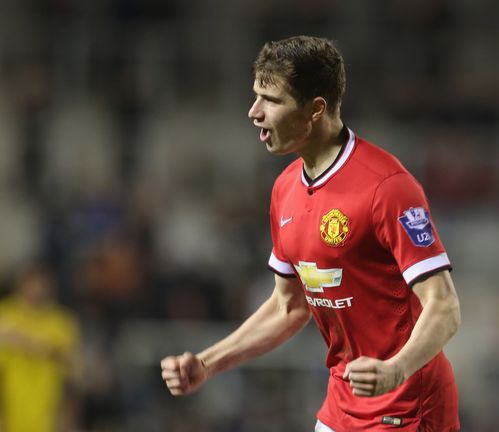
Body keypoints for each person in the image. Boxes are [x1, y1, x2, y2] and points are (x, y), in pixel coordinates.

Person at [160, 36, 461, 432]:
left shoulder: (387, 186)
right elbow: (289, 306)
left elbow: (444, 306)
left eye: (271, 99)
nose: (254, 112)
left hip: (407, 407)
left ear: (316, 109)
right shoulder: (285, 189)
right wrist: (207, 363)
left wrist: (395, 370)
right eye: (255, 96)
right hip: (343, 403)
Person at [0, 264, 81, 432]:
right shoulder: (5, 314)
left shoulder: (61, 322)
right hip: (10, 407)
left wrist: (24, 342)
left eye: (41, 285)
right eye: (31, 284)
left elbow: (70, 365)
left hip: (47, 406)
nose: (36, 290)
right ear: (20, 284)